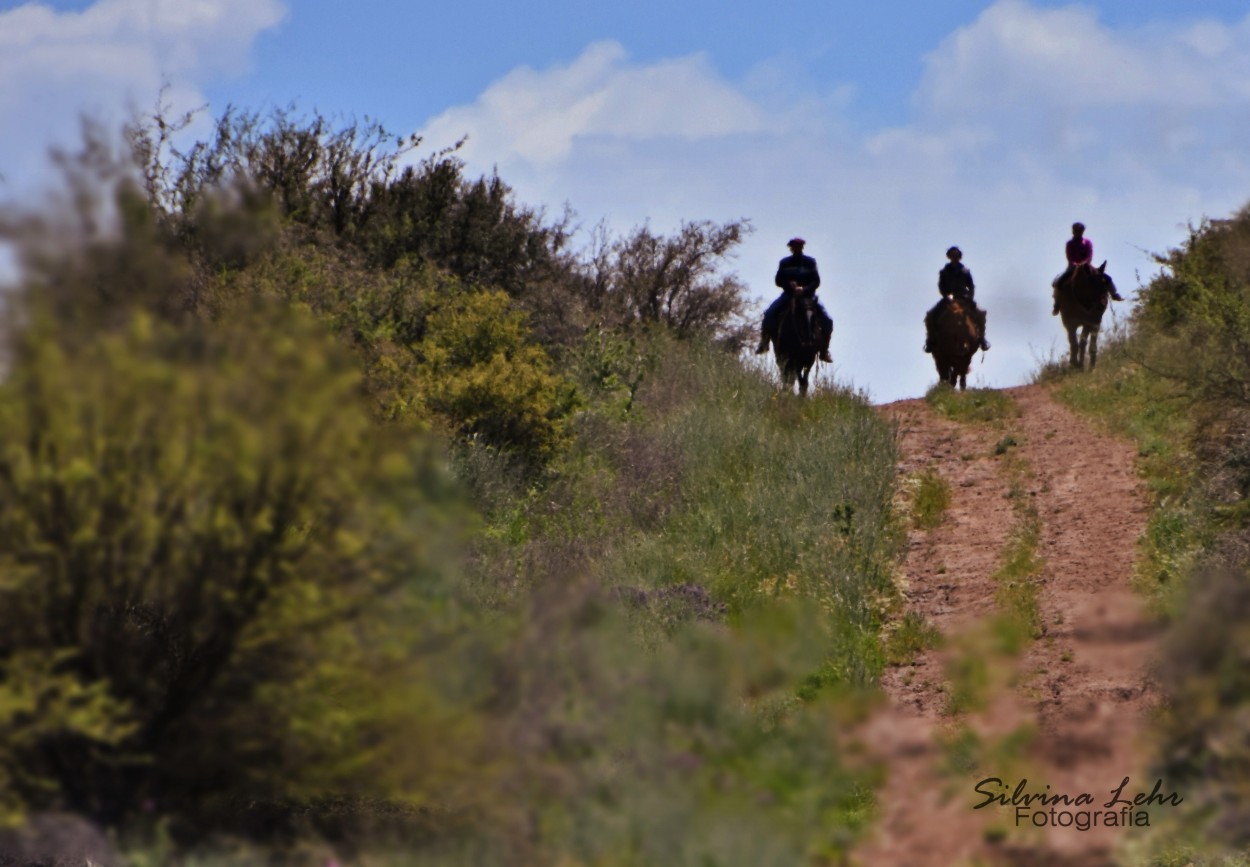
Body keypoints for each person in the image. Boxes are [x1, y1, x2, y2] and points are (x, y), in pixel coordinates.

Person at [756, 237, 833, 362]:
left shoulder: (810, 262)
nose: (795, 249)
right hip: (788, 296)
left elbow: (816, 281)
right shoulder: (784, 263)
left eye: (798, 247)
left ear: (802, 248)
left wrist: (804, 289)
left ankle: (824, 351)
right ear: (790, 248)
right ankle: (764, 343)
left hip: (809, 297)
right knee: (769, 314)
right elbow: (778, 280)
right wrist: (789, 285)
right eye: (793, 247)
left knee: (828, 320)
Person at [924, 246, 990, 353]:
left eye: (957, 255)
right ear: (949, 256)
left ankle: (982, 338)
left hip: (964, 298)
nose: (955, 257)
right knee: (930, 315)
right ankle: (930, 340)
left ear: (960, 257)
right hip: (948, 299)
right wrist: (946, 295)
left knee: (981, 313)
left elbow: (971, 286)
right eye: (952, 255)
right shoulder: (944, 271)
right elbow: (941, 286)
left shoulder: (965, 270)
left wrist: (969, 296)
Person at [1052, 222, 1121, 314]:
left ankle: (1114, 294)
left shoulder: (1087, 242)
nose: (1078, 232)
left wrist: (1085, 263)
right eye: (1076, 231)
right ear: (1073, 231)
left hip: (1087, 266)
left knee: (1106, 278)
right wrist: (1075, 264)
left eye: (1080, 231)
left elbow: (1090, 254)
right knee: (1058, 282)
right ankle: (1057, 304)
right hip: (1072, 267)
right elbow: (1069, 256)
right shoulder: (1070, 243)